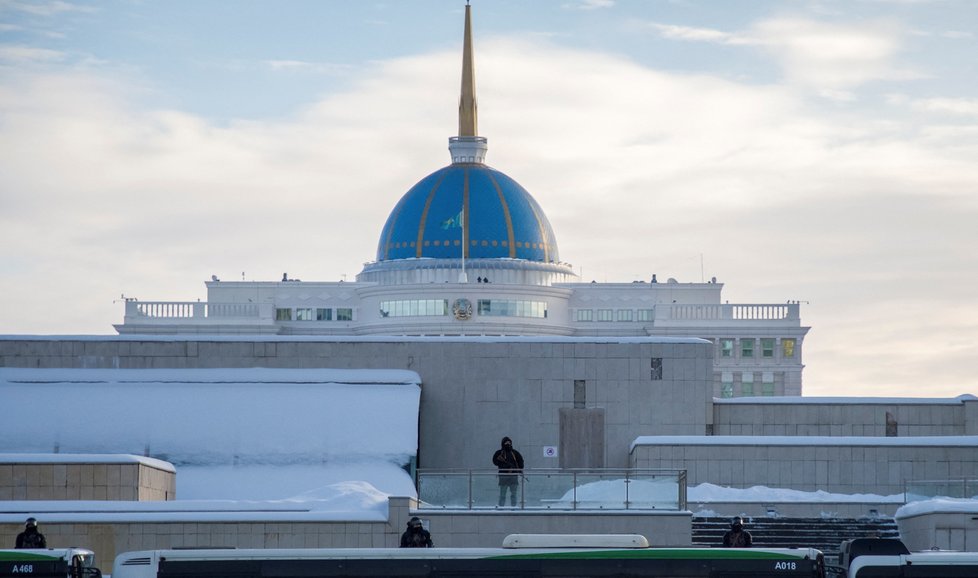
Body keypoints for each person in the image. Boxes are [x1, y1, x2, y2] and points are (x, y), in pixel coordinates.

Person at [492, 436, 524, 507]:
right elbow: (495, 461)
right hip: (503, 477)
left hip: (513, 477)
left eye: (509, 442)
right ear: (503, 443)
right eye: (506, 442)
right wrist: (506, 467)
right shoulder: (499, 453)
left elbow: (521, 462)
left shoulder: (515, 453)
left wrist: (517, 469)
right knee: (502, 494)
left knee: (514, 494)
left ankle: (514, 508)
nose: (508, 444)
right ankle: (501, 507)